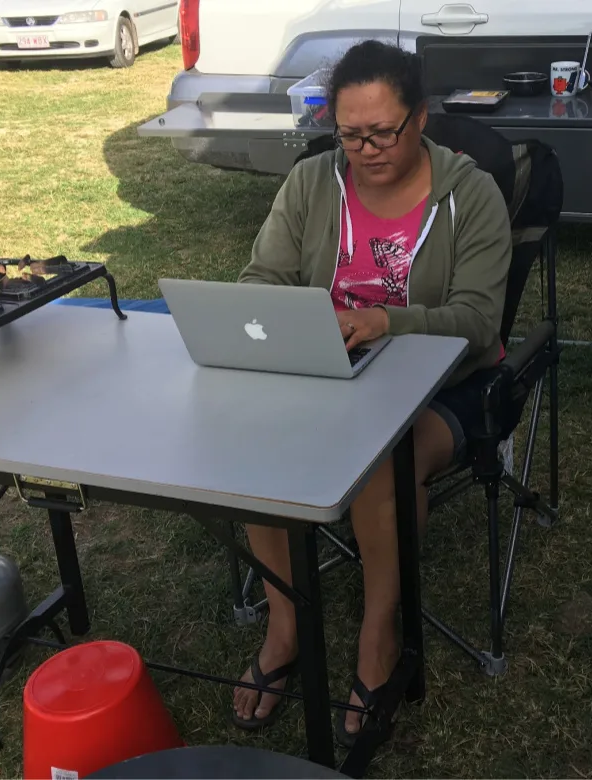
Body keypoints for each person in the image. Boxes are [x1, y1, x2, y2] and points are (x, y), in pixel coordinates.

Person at [230, 40, 513, 745]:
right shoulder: (311, 184)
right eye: (350, 134)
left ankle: (379, 637)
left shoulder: (471, 194)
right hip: (332, 368)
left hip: (450, 382)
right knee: (253, 441)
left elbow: (478, 323)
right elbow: (260, 279)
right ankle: (286, 627)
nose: (366, 148)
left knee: (379, 462)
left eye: (382, 131)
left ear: (420, 119)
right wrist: (299, 322)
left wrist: (387, 320)